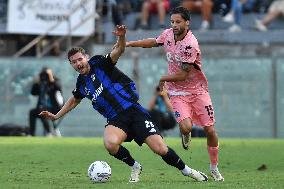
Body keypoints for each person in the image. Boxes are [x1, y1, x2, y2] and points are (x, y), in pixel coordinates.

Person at [39, 25, 208, 183]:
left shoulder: (100, 63)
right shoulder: (81, 84)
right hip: (116, 119)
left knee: (160, 149)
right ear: (71, 65)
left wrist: (122, 37)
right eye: (74, 62)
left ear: (86, 57)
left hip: (133, 111)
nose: (78, 64)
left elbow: (118, 50)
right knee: (110, 144)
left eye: (80, 59)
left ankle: (187, 170)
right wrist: (56, 116)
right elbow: (74, 99)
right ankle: (135, 166)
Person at [126, 6, 224, 181]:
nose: (174, 25)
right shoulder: (169, 35)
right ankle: (186, 133)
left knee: (210, 130)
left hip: (197, 90)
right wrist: (130, 43)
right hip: (177, 91)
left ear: (187, 22)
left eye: (178, 22)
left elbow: (184, 74)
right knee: (186, 127)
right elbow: (155, 41)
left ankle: (214, 167)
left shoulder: (190, 44)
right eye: (172, 21)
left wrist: (163, 77)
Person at [29, 67, 63, 137]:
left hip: (55, 108)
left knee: (43, 111)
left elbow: (59, 88)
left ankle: (48, 132)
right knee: (32, 112)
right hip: (42, 108)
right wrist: (37, 82)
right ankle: (32, 134)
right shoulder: (40, 83)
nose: (45, 76)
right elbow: (33, 93)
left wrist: (51, 80)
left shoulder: (55, 82)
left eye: (46, 74)